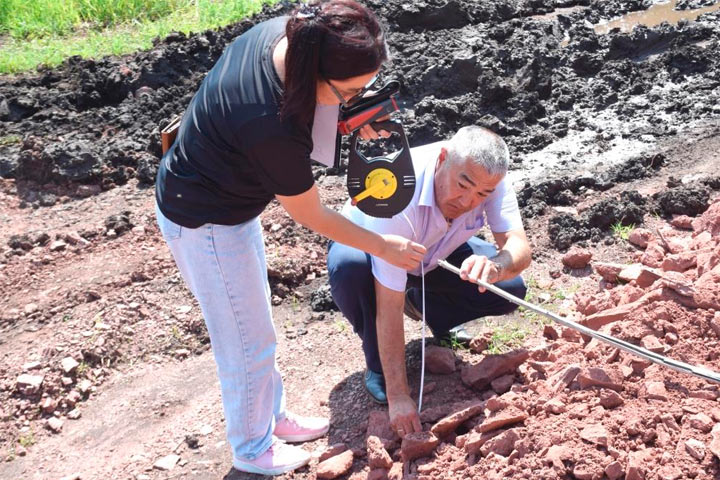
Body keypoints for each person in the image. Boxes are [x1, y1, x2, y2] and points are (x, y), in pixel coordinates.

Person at [154, 1, 426, 475]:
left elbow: (314, 110)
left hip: (226, 198)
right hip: (205, 218)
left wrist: (352, 114)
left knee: (254, 328)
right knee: (245, 341)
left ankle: (272, 417)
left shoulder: (291, 36)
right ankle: (251, 450)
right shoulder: (268, 123)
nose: (358, 97)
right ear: (315, 74)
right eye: (351, 90)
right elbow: (309, 211)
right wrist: (384, 247)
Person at [328, 126, 532, 438]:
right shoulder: (398, 195)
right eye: (462, 185)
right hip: (372, 249)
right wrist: (399, 396)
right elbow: (388, 304)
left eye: (481, 194)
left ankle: (425, 306)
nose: (467, 201)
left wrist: (495, 267)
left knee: (509, 288)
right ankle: (379, 366)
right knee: (350, 269)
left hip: (435, 252)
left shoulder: (491, 181)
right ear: (442, 159)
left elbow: (519, 247)